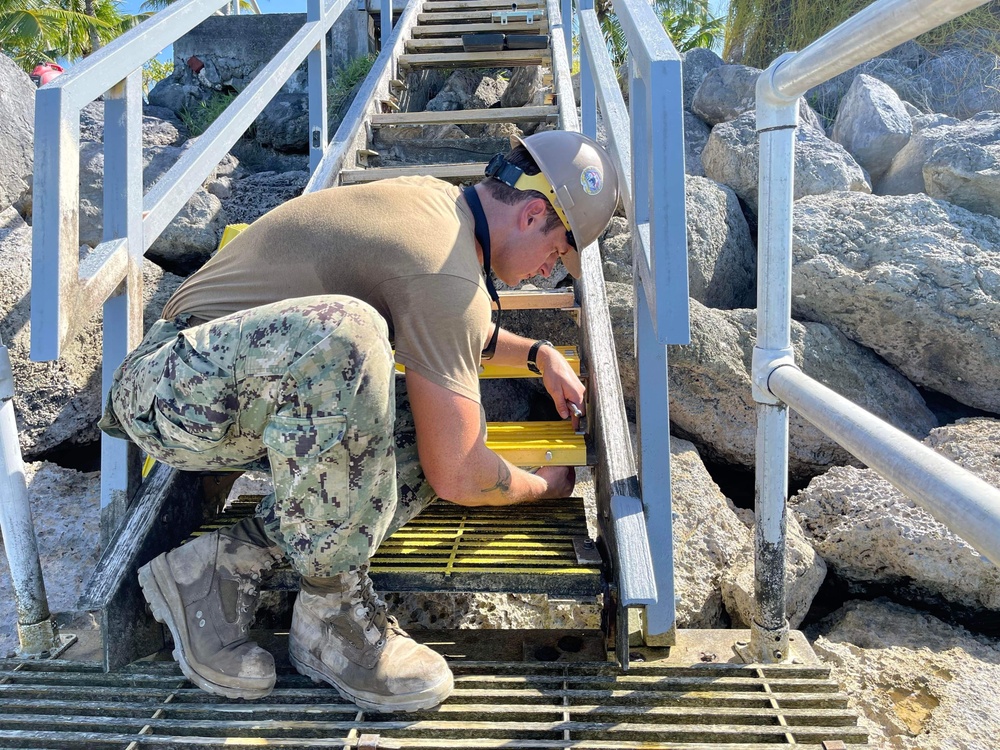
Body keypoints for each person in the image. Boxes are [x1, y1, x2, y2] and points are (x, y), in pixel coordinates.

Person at [99, 130, 620, 712]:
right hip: (171, 384)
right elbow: (460, 474)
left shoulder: (439, 212)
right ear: (531, 215)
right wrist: (542, 485)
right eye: (556, 256)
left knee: (418, 428)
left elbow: (450, 332)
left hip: (229, 387)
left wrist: (538, 354)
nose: (548, 273)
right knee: (355, 339)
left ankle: (223, 563)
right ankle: (333, 613)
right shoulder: (445, 267)